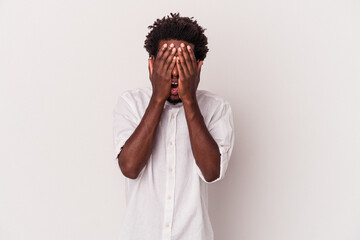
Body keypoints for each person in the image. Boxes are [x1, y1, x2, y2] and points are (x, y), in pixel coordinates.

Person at [113, 12, 234, 240]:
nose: (175, 73)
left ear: (198, 68)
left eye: (183, 64)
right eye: (167, 63)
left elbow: (211, 172)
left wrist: (189, 99)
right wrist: (158, 97)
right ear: (152, 65)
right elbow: (129, 167)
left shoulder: (217, 109)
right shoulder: (131, 103)